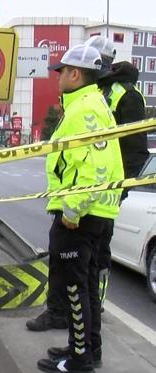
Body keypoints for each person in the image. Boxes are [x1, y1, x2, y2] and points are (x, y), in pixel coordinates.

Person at [35, 44, 124, 373]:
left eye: (61, 71)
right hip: (92, 211)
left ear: (75, 74)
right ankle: (85, 348)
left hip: (80, 214)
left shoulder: (84, 109)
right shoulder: (88, 104)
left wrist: (73, 210)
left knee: (75, 286)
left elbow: (95, 167)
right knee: (85, 285)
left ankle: (80, 359)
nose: (57, 77)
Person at [87, 35, 150, 307]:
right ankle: (71, 308)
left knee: (98, 252)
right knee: (77, 253)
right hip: (82, 188)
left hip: (107, 191)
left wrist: (120, 189)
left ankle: (95, 306)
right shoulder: (95, 91)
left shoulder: (128, 95)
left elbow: (136, 150)